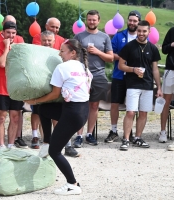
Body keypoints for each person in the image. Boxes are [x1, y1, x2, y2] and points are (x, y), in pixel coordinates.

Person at [25, 39, 92, 195]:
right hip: (82, 111)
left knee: (56, 152)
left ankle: (72, 184)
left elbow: (54, 94)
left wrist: (33, 101)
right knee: (44, 110)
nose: (59, 53)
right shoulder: (85, 68)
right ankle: (47, 142)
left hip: (72, 113)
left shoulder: (62, 67)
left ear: (73, 52)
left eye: (62, 51)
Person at [31, 30, 79, 157]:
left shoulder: (60, 55)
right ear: (40, 41)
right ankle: (46, 145)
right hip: (41, 91)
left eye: (49, 40)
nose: (46, 43)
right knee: (42, 115)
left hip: (58, 91)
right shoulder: (36, 54)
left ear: (54, 41)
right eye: (44, 40)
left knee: (59, 119)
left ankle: (67, 145)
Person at [118, 20, 162, 151]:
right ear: (136, 31)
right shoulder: (129, 46)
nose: (141, 33)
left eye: (144, 31)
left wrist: (159, 87)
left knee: (143, 113)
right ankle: (125, 139)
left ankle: (138, 137)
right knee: (131, 112)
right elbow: (121, 65)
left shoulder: (153, 48)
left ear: (149, 32)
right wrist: (133, 69)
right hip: (132, 84)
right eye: (139, 31)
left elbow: (155, 69)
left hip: (148, 85)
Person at [73, 10, 113, 147]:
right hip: (81, 75)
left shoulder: (105, 37)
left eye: (94, 20)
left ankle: (89, 134)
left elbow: (111, 58)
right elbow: (72, 55)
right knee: (81, 105)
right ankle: (78, 135)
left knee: (94, 105)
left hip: (99, 76)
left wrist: (97, 52)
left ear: (98, 21)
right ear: (86, 21)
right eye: (89, 19)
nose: (91, 22)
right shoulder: (79, 36)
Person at [0, 15, 27, 149]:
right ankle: (1, 145)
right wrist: (6, 47)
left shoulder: (20, 48)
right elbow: (2, 64)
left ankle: (10, 144)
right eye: (8, 33)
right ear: (2, 33)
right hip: (1, 88)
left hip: (15, 87)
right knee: (1, 117)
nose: (10, 35)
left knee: (15, 117)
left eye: (13, 33)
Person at [104, 10, 141, 143]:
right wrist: (124, 58)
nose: (132, 23)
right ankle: (113, 130)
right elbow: (111, 54)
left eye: (135, 21)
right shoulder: (119, 36)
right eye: (130, 20)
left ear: (139, 22)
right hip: (119, 75)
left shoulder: (143, 37)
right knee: (114, 103)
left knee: (132, 106)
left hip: (135, 77)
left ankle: (129, 131)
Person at [159, 23, 174, 148]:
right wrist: (172, 45)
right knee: (166, 101)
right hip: (172, 69)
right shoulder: (173, 31)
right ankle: (163, 131)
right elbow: (164, 49)